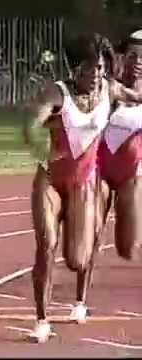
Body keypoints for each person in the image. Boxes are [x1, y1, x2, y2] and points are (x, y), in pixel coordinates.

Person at [23, 32, 142, 343]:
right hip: (50, 180)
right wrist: (40, 145)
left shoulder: (110, 89)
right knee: (46, 245)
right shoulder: (56, 93)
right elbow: (30, 124)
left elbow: (135, 97)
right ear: (74, 70)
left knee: (78, 257)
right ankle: (41, 319)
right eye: (90, 70)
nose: (96, 76)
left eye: (101, 69)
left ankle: (79, 301)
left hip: (84, 181)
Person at [98, 29, 142, 261]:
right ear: (122, 57)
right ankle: (80, 297)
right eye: (133, 55)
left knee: (128, 249)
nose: (138, 62)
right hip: (98, 172)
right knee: (86, 245)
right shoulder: (105, 87)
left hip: (132, 175)